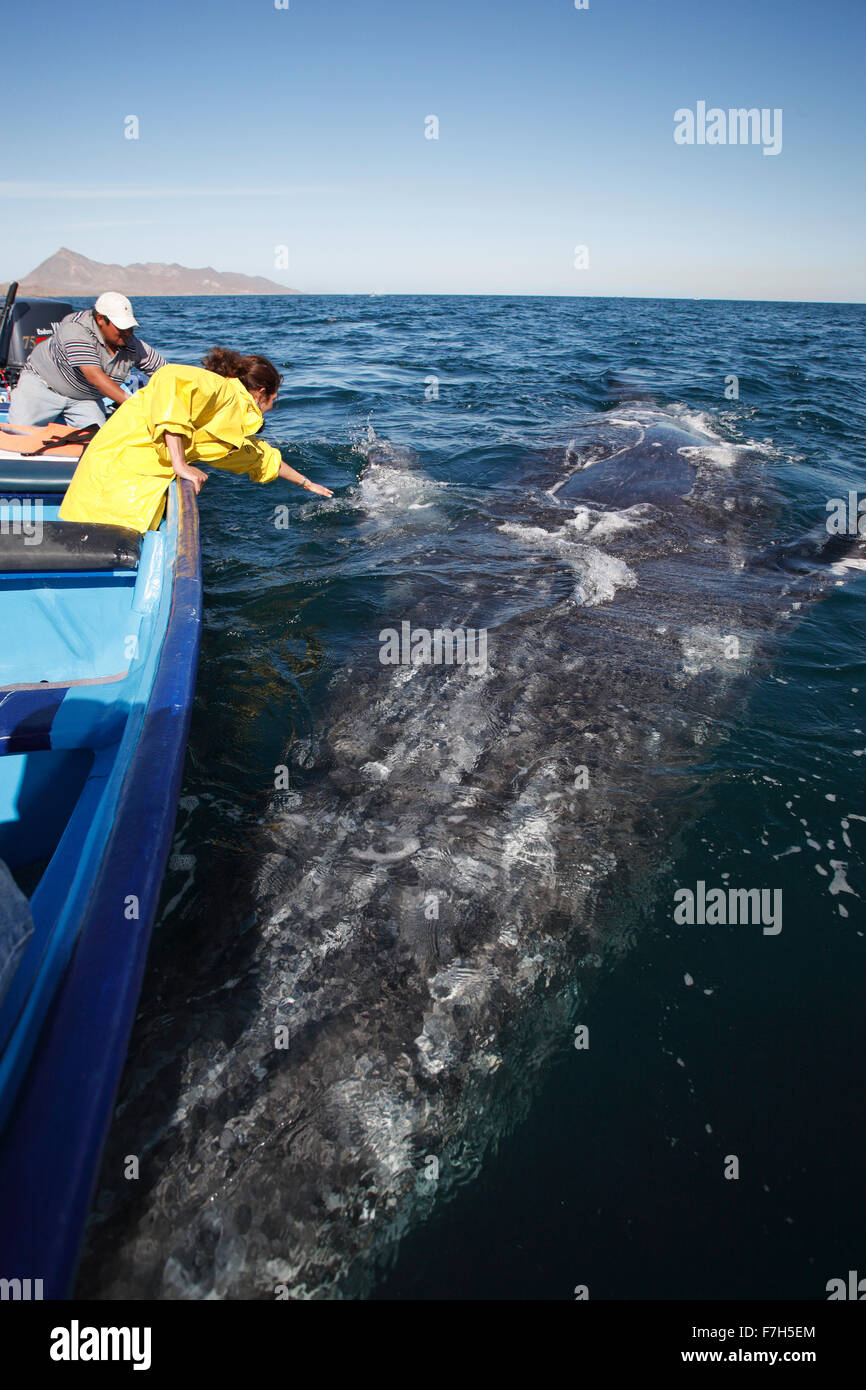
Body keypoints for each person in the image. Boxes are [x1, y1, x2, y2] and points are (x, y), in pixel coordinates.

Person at [59, 348, 333, 532]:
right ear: (261, 392)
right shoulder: (220, 389)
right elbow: (171, 380)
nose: (272, 408)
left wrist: (307, 483)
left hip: (140, 488)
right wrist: (180, 463)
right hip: (111, 476)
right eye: (274, 400)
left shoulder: (231, 423)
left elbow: (258, 458)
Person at [8, 292, 165, 429]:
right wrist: (136, 406)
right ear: (100, 319)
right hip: (43, 387)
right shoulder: (75, 328)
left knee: (98, 444)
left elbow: (165, 370)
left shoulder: (131, 343)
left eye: (130, 327)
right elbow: (94, 376)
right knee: (18, 436)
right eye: (121, 327)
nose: (127, 332)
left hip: (84, 398)